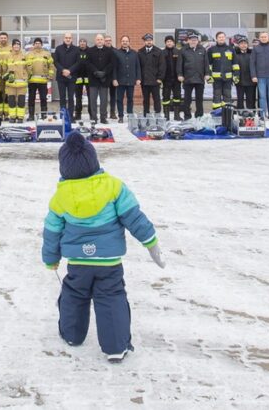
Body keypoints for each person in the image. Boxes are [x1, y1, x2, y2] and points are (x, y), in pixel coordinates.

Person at [42, 130, 163, 364]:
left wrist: (50, 258)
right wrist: (151, 242)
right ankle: (116, 347)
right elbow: (134, 218)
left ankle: (72, 335)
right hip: (109, 262)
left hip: (78, 263)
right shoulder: (114, 187)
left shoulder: (60, 197)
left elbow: (51, 231)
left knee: (73, 296)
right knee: (111, 298)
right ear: (94, 161)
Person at [84, 34, 115, 125]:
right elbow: (88, 63)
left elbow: (112, 63)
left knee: (104, 100)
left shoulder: (109, 51)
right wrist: (95, 72)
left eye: (101, 39)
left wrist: (104, 72)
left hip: (104, 80)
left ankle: (103, 118)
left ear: (103, 40)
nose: (100, 41)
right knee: (92, 100)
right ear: (95, 40)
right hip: (93, 79)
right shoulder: (90, 51)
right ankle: (94, 118)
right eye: (98, 39)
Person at [177, 33, 209, 119]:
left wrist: (207, 73)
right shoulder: (183, 50)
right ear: (188, 40)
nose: (193, 41)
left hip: (200, 78)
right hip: (187, 78)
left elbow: (206, 63)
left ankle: (199, 116)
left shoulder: (202, 49)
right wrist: (180, 74)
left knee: (199, 99)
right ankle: (187, 116)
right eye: (191, 40)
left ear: (198, 41)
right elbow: (179, 64)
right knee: (187, 99)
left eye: (195, 40)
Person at [26, 37, 56, 121]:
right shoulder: (29, 55)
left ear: (42, 45)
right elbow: (25, 67)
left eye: (39, 43)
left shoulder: (47, 54)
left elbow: (51, 66)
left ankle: (43, 115)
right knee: (31, 98)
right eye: (36, 43)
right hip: (32, 81)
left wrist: (50, 75)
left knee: (43, 98)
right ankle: (31, 115)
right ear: (33, 45)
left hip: (43, 81)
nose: (37, 44)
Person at [112, 35, 140, 123]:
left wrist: (138, 78)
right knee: (119, 99)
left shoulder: (134, 53)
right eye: (123, 41)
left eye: (126, 41)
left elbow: (137, 67)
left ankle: (130, 115)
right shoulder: (116, 53)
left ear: (129, 42)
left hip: (131, 80)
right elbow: (114, 68)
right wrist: (114, 79)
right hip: (120, 81)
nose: (125, 42)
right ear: (121, 42)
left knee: (130, 98)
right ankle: (120, 116)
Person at [53, 32, 80, 118]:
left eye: (69, 38)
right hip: (61, 77)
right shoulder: (58, 49)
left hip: (72, 77)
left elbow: (78, 62)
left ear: (72, 39)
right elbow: (55, 61)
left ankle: (71, 116)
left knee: (71, 98)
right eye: (66, 38)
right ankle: (63, 116)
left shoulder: (76, 49)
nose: (68, 39)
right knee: (62, 97)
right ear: (63, 39)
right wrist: (63, 70)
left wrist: (70, 70)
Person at [137, 33, 164, 117]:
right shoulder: (140, 52)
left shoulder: (158, 51)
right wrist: (139, 78)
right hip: (144, 81)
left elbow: (162, 66)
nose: (149, 42)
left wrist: (160, 78)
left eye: (150, 40)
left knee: (156, 99)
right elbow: (138, 66)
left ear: (152, 41)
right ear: (144, 41)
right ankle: (146, 114)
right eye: (147, 40)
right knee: (146, 100)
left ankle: (157, 114)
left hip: (155, 80)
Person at [207, 31, 235, 110]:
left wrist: (236, 75)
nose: (221, 38)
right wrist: (209, 75)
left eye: (223, 37)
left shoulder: (231, 49)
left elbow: (235, 64)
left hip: (228, 79)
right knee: (216, 97)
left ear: (225, 38)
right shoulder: (212, 50)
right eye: (219, 37)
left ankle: (227, 114)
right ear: (216, 39)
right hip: (216, 79)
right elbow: (208, 64)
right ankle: (217, 114)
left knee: (227, 96)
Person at [3, 39, 29, 124]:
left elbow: (29, 68)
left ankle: (20, 117)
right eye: (15, 45)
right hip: (11, 84)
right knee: (11, 101)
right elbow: (4, 69)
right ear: (12, 46)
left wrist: (26, 76)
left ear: (20, 46)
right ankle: (12, 117)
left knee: (21, 101)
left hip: (22, 83)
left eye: (18, 45)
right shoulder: (8, 56)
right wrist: (6, 75)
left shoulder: (25, 56)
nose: (16, 46)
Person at [160, 36, 181, 120]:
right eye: (167, 41)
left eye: (170, 41)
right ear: (165, 43)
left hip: (176, 79)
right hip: (166, 79)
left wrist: (180, 75)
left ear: (173, 42)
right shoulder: (162, 53)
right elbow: (160, 66)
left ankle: (177, 115)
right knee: (165, 97)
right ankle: (166, 116)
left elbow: (181, 64)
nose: (169, 43)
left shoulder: (178, 52)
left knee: (177, 97)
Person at [233, 36, 256, 111]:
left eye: (245, 43)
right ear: (238, 45)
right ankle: (240, 114)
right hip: (240, 81)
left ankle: (251, 114)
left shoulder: (252, 54)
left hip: (250, 81)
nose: (243, 45)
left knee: (251, 99)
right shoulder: (235, 55)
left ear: (248, 45)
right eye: (241, 43)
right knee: (240, 99)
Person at [0, 32, 13, 118]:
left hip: (8, 74)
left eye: (5, 38)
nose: (3, 39)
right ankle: (0, 114)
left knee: (8, 93)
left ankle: (8, 114)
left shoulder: (11, 48)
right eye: (1, 38)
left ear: (7, 39)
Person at [73, 38, 91, 121]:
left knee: (90, 96)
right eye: (81, 42)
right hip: (78, 77)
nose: (82, 43)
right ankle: (78, 114)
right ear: (79, 43)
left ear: (86, 43)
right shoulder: (76, 51)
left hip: (88, 77)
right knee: (78, 96)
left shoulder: (90, 51)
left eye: (84, 42)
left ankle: (91, 113)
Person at [104, 35, 117, 120]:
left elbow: (116, 65)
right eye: (106, 40)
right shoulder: (101, 50)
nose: (108, 42)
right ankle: (104, 113)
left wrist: (115, 78)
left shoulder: (115, 51)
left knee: (113, 96)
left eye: (109, 40)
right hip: (104, 77)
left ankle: (112, 112)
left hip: (113, 77)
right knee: (104, 96)